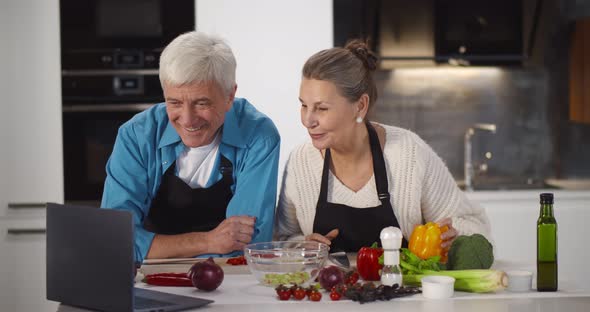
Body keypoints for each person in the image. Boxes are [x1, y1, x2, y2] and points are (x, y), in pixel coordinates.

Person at [274, 40, 491, 252]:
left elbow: (477, 229)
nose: (307, 120)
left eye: (321, 108)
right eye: (304, 105)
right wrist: (301, 244)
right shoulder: (301, 161)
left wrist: (454, 239)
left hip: (404, 289)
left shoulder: (409, 153)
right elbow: (281, 239)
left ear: (360, 106)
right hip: (328, 289)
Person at [101, 31, 280, 262]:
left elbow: (247, 244)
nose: (187, 120)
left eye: (201, 103)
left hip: (230, 276)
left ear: (229, 96)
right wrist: (209, 241)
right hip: (150, 276)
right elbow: (114, 240)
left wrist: (151, 245)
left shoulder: (259, 136)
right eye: (174, 102)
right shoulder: (136, 136)